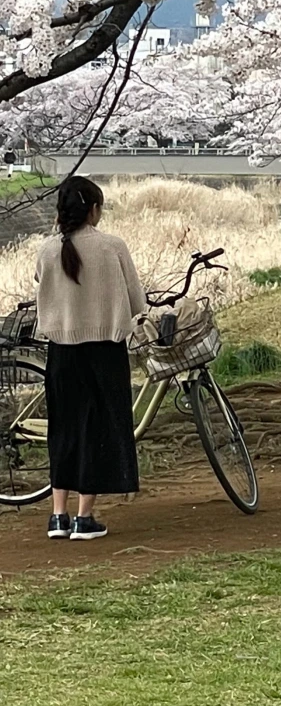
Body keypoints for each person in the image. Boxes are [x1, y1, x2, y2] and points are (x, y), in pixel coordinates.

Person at [35, 176, 146, 542]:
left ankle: (58, 517)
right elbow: (136, 300)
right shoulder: (112, 246)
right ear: (94, 210)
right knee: (96, 430)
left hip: (61, 353)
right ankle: (85, 518)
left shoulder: (48, 250)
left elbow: (43, 282)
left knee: (64, 430)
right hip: (104, 351)